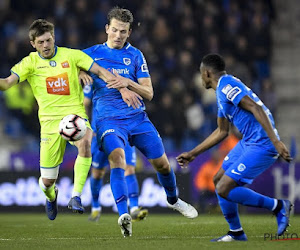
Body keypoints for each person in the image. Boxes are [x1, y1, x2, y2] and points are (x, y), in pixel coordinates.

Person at [0, 19, 141, 221]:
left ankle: (75, 196)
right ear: (33, 43)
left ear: (54, 37)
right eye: (40, 42)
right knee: (47, 181)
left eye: (48, 40)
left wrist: (123, 88)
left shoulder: (72, 56)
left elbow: (101, 71)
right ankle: (51, 196)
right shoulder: (29, 63)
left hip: (75, 116)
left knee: (86, 139)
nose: (46, 45)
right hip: (49, 125)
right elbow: (6, 83)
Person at [83, 7, 198, 237]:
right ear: (107, 29)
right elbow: (70, 71)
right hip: (108, 120)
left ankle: (173, 200)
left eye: (123, 31)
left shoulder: (135, 55)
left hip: (137, 118)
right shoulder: (90, 54)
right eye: (114, 30)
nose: (118, 35)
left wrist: (127, 82)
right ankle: (124, 214)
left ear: (129, 33)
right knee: (118, 159)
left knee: (163, 165)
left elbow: (149, 93)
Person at [177, 53, 293, 242]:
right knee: (218, 179)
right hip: (249, 140)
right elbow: (222, 131)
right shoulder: (221, 91)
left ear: (206, 73)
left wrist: (276, 141)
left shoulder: (227, 85)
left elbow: (256, 108)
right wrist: (193, 153)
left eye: (200, 74)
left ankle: (278, 206)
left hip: (263, 142)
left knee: (223, 187)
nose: (200, 78)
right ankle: (236, 232)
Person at [82, 83, 148, 222]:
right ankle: (95, 208)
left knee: (129, 169)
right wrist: (86, 126)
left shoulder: (125, 77)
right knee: (97, 172)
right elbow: (84, 103)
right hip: (100, 132)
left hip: (124, 130)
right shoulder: (94, 78)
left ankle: (134, 209)